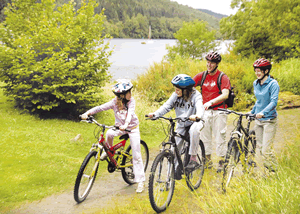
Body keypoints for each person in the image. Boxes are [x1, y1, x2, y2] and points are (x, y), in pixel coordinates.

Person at [81, 79, 145, 193]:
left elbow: (130, 114)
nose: (131, 94)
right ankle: (109, 152)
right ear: (122, 95)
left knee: (136, 155)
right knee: (109, 133)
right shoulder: (114, 103)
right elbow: (100, 107)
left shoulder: (131, 101)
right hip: (119, 127)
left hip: (132, 129)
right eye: (129, 92)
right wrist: (87, 113)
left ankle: (140, 181)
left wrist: (125, 125)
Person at [147, 74, 205, 179]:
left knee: (194, 131)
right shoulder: (175, 95)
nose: (175, 91)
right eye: (175, 88)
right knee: (175, 148)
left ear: (186, 90)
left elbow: (200, 107)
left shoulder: (196, 95)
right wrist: (155, 114)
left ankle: (193, 159)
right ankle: (173, 173)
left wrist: (198, 116)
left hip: (195, 120)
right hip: (182, 123)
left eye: (178, 89)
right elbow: (166, 106)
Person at [193, 51, 231, 172]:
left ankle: (221, 161)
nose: (209, 65)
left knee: (220, 136)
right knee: (205, 137)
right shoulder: (202, 76)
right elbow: (189, 86)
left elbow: (225, 94)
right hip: (206, 111)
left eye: (212, 63)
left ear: (216, 64)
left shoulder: (222, 77)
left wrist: (211, 102)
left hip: (219, 110)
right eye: (207, 62)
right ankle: (207, 161)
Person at [251, 58, 279, 172]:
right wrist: (252, 112)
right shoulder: (255, 83)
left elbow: (273, 102)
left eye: (259, 70)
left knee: (266, 150)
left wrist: (263, 112)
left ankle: (274, 171)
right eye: (256, 70)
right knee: (260, 147)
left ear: (266, 71)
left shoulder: (273, 84)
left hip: (269, 120)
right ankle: (268, 169)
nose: (257, 73)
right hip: (259, 120)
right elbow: (259, 102)